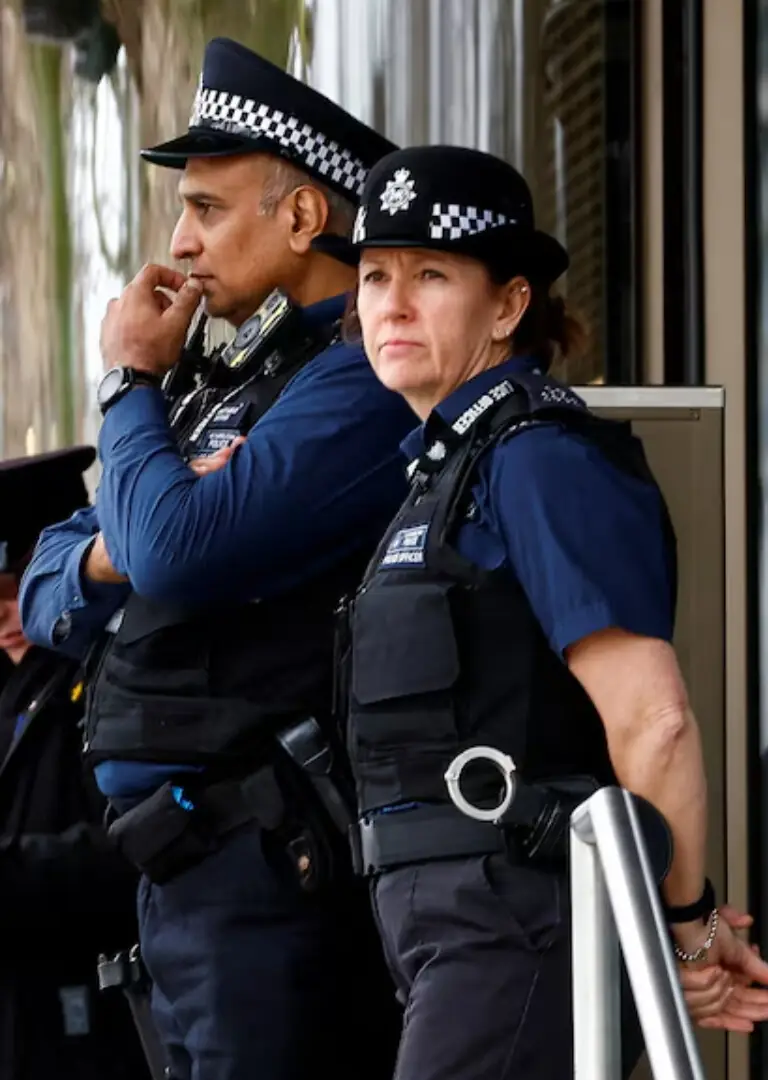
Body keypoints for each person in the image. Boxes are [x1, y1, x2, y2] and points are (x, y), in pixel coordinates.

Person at [331, 144, 768, 1078]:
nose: (394, 302)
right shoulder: (442, 470)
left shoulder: (538, 457)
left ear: (508, 306)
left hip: (513, 921)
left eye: (431, 274)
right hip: (445, 922)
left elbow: (653, 719)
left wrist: (685, 924)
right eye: (377, 275)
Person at [19, 36, 411, 1080]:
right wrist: (118, 553)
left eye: (207, 208)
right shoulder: (221, 380)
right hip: (181, 881)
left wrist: (124, 387)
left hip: (268, 872)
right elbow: (51, 579)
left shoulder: (353, 379)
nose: (181, 242)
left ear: (301, 217)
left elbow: (179, 554)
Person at [0, 447, 146, 1080]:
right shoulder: (14, 693)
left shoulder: (114, 674)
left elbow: (137, 848)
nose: (5, 615)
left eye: (16, 590)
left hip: (101, 1015)